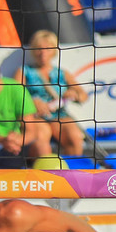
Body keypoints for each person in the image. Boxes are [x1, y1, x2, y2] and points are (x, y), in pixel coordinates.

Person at [13, 30, 88, 158]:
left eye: (48, 49)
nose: (43, 53)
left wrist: (73, 94)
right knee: (40, 141)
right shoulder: (24, 71)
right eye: (39, 49)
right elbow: (14, 95)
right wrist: (32, 102)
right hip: (36, 117)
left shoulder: (61, 73)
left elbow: (83, 95)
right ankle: (46, 174)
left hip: (60, 115)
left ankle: (71, 174)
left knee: (74, 137)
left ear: (54, 51)